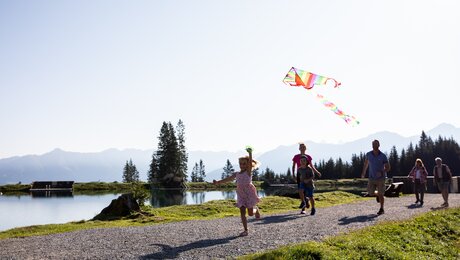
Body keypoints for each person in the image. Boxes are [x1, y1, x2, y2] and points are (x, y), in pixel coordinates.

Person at [213, 147, 261, 237]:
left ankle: (256, 210)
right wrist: (218, 182)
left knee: (250, 213)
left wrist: (250, 153)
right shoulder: (237, 174)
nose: (242, 165)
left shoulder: (248, 172)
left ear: (247, 165)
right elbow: (228, 179)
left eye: (244, 164)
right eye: (240, 164)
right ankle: (245, 230)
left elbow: (250, 163)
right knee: (242, 211)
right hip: (241, 195)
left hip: (249, 194)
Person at [361, 139, 390, 215]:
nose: (375, 146)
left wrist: (381, 172)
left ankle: (381, 208)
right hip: (371, 178)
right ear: (372, 145)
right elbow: (366, 164)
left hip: (381, 178)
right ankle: (377, 195)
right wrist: (363, 173)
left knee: (381, 194)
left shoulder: (383, 156)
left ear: (379, 145)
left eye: (376, 144)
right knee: (370, 192)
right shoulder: (368, 154)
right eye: (373, 144)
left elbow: (388, 167)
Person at [292, 143, 320, 209]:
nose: (302, 148)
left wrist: (317, 172)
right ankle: (303, 205)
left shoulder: (308, 157)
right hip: (300, 175)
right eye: (301, 147)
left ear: (305, 148)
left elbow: (311, 166)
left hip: (307, 176)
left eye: (303, 147)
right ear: (299, 148)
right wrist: (293, 175)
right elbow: (293, 166)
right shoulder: (296, 157)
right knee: (300, 190)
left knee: (306, 191)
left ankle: (306, 200)